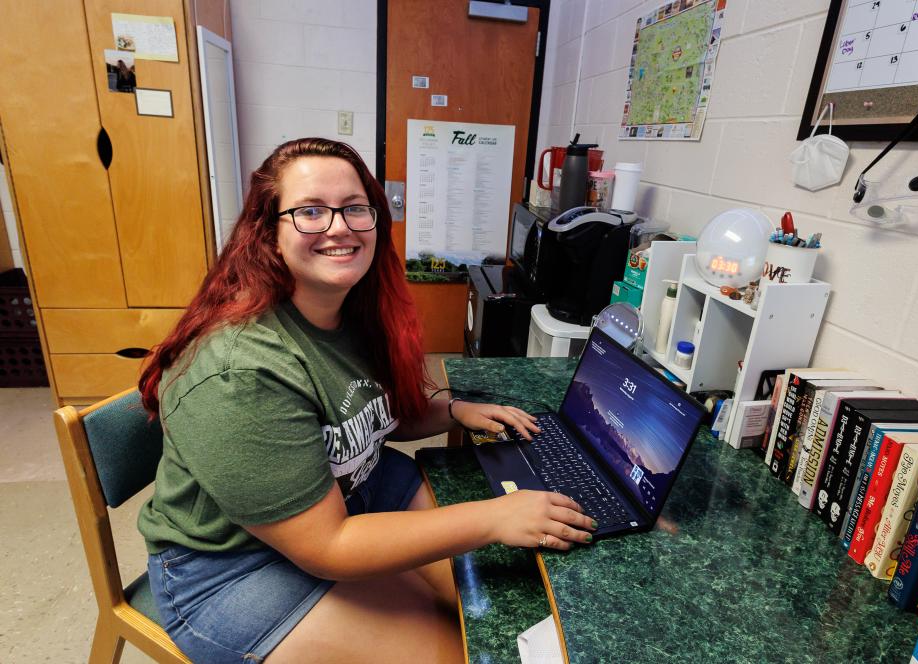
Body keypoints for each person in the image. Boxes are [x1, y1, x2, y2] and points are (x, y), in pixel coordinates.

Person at [136, 138, 596, 663]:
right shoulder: (240, 371)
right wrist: (494, 517)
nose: (339, 226)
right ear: (267, 232)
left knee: (495, 613)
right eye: (311, 211)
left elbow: (365, 413)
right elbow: (326, 546)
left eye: (355, 208)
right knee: (458, 652)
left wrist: (451, 410)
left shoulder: (346, 309)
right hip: (232, 567)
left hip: (352, 493)